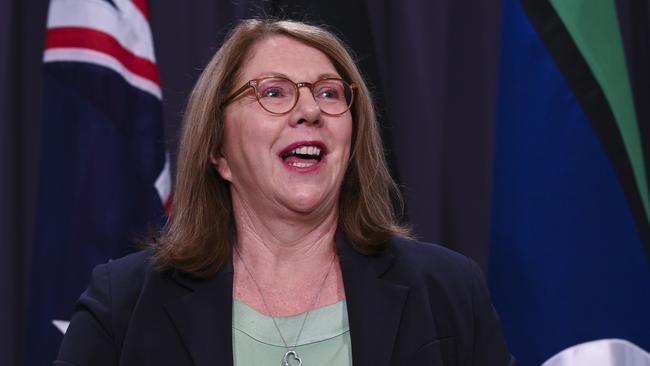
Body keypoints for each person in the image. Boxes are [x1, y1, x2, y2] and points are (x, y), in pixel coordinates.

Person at [54, 19, 515, 366]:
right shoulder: (124, 304)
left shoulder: (448, 292)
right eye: (273, 93)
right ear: (218, 150)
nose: (310, 110)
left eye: (331, 93)